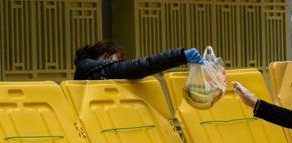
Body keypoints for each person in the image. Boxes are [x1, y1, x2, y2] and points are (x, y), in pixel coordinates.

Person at [74, 40, 204, 80]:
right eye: (117, 59)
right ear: (106, 56)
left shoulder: (86, 69)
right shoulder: (99, 69)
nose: (117, 63)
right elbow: (141, 66)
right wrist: (180, 56)